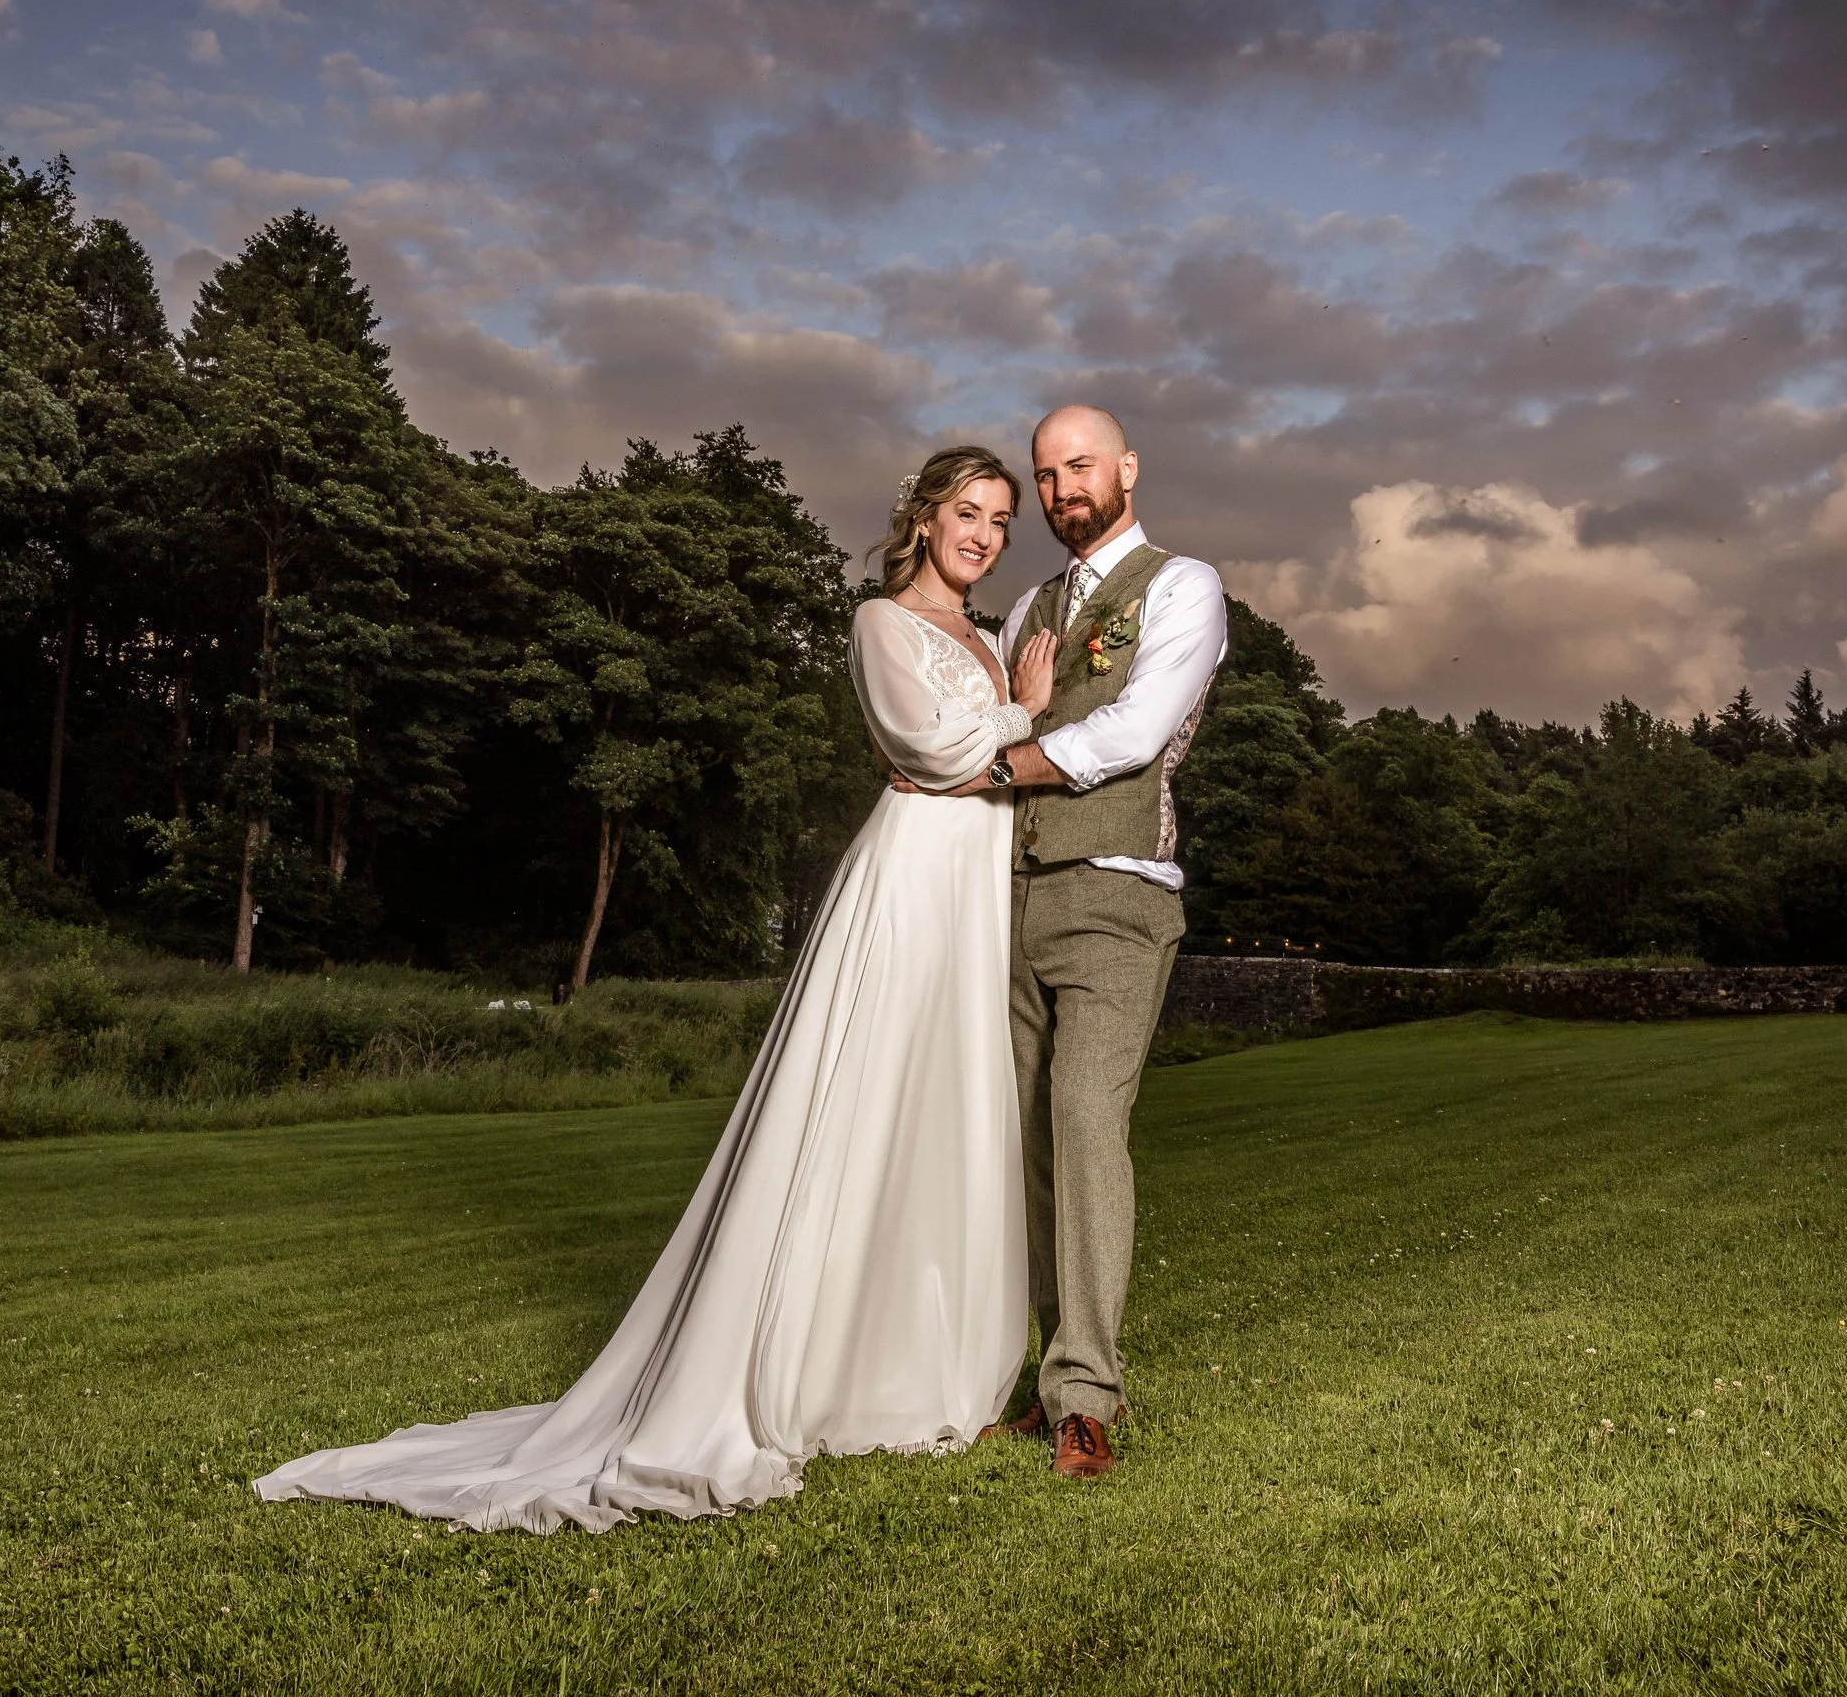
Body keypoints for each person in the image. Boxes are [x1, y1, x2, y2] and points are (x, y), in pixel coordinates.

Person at [254, 446, 1057, 1533]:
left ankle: (924, 1365)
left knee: (948, 1109)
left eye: (1002, 520)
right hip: (914, 877)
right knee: (865, 1102)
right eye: (968, 511)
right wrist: (1029, 714)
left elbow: (967, 762)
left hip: (974, 885)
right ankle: (803, 1366)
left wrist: (997, 729)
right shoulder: (882, 622)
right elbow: (932, 747)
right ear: (923, 516)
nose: (985, 534)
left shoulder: (992, 634)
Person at [969, 404, 1229, 1480]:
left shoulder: (1183, 584)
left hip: (1118, 891)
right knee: (1025, 1139)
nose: (1061, 486)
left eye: (1079, 464)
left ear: (1126, 466)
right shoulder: (1031, 600)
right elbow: (991, 711)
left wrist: (995, 767)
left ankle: (1087, 1397)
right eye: (1045, 474)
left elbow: (1130, 731)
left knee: (1082, 1118)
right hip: (1011, 891)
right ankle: (1047, 1381)